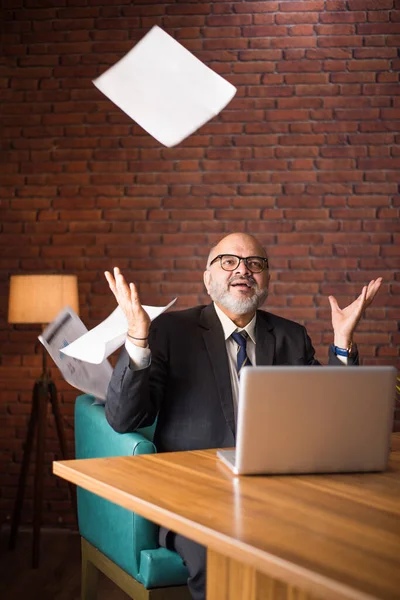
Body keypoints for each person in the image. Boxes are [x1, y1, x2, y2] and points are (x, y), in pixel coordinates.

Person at [104, 232, 382, 600]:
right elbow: (125, 418)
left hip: (278, 496)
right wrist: (138, 341)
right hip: (195, 501)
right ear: (207, 278)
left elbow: (332, 420)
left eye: (255, 263)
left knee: (346, 549)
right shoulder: (170, 332)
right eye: (229, 261)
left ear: (267, 279)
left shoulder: (290, 337)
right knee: (221, 563)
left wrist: (342, 343)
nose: (243, 270)